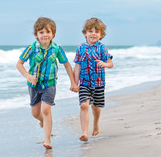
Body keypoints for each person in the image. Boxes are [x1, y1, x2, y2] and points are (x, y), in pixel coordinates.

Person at [16, 17, 79, 149]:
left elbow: (67, 65)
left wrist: (73, 82)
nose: (45, 35)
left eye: (48, 32)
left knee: (46, 109)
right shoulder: (31, 48)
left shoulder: (56, 49)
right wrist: (27, 75)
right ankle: (42, 121)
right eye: (41, 32)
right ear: (36, 35)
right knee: (35, 113)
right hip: (34, 85)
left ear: (53, 34)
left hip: (50, 84)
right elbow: (19, 64)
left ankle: (47, 140)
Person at [74, 17, 114, 141]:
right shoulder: (80, 48)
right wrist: (75, 83)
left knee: (96, 107)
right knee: (84, 106)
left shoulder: (102, 48)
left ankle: (96, 123)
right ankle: (85, 133)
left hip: (98, 83)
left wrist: (105, 64)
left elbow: (110, 63)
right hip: (84, 83)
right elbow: (77, 66)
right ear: (85, 33)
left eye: (97, 31)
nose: (93, 34)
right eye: (90, 31)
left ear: (101, 35)